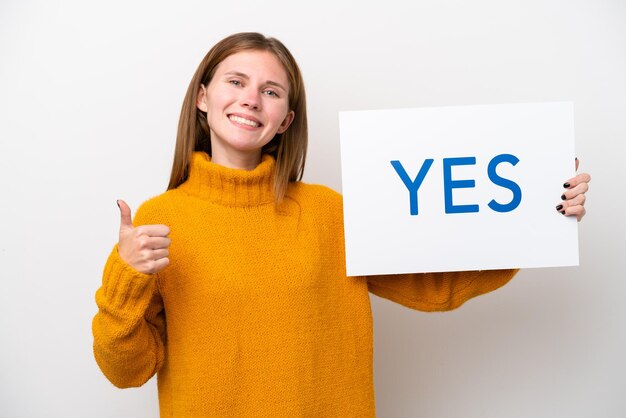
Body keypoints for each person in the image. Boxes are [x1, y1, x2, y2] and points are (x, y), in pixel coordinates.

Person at [92, 32, 591, 417]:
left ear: (285, 120)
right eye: (236, 82)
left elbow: (437, 285)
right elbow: (126, 370)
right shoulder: (159, 222)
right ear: (203, 98)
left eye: (271, 91)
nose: (251, 99)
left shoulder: (332, 213)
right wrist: (126, 279)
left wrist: (536, 214)